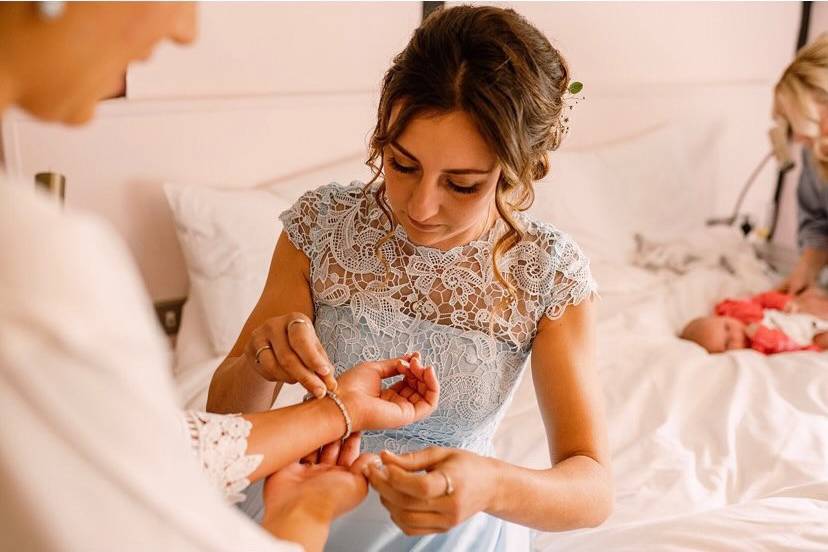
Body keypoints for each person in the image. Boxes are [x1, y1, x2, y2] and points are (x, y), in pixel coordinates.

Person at [0, 3, 440, 552]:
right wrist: (305, 512)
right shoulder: (36, 262)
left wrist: (339, 412)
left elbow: (161, 447)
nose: (185, 30)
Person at [208, 6, 613, 550]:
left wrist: (490, 484)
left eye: (462, 184)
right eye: (403, 166)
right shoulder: (323, 228)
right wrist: (262, 358)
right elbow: (224, 424)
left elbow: (592, 488)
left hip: (452, 521)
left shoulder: (548, 273)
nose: (421, 206)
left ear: (514, 170)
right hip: (295, 496)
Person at [774, 34, 828, 295]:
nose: (799, 138)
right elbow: (818, 220)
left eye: (807, 122)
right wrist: (806, 269)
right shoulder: (815, 150)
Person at [680, 290, 828, 353]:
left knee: (811, 299)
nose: (736, 335)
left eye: (727, 327)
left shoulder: (743, 313)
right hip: (805, 339)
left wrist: (782, 302)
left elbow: (762, 299)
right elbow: (785, 347)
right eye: (728, 344)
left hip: (798, 316)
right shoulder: (755, 348)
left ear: (723, 317)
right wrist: (762, 336)